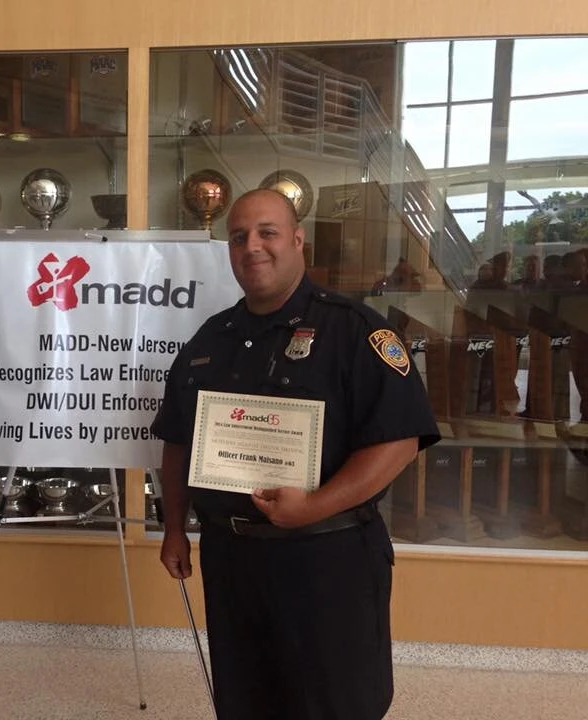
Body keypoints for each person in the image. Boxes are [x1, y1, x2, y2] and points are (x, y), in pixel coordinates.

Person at [151, 188, 440, 720]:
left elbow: (399, 441)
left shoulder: (356, 331)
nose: (252, 247)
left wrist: (315, 504)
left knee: (335, 703)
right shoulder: (210, 340)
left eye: (267, 233)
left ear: (298, 240)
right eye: (239, 238)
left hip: (328, 558)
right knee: (247, 699)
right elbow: (177, 441)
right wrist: (174, 528)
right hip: (233, 560)